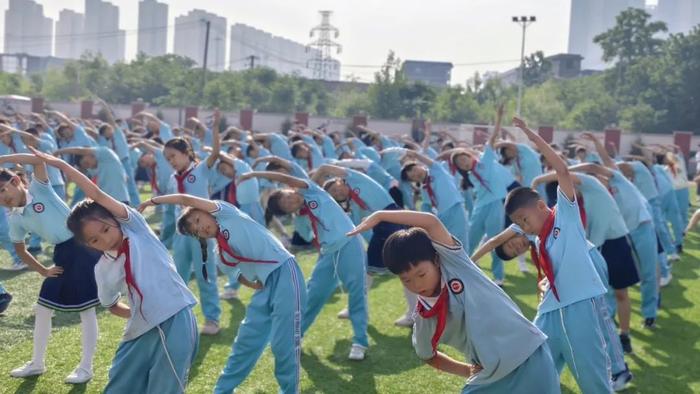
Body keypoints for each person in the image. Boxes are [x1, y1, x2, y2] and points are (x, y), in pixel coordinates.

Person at [30, 146, 199, 393]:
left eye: (106, 230)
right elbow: (110, 304)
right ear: (88, 245)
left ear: (115, 220)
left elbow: (96, 194)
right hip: (140, 328)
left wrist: (63, 166)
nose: (105, 239)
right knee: (119, 383)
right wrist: (137, 311)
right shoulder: (103, 268)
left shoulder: (136, 229)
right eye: (95, 240)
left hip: (174, 317)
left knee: (165, 387)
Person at [347, 209, 559, 393]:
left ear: (437, 260)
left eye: (421, 274)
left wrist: (380, 215)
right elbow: (427, 355)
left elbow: (430, 222)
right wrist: (465, 370)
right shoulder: (423, 319)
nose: (416, 284)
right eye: (406, 280)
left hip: (529, 352)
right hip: (491, 375)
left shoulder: (456, 264)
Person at [139, 194, 306, 394]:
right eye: (196, 231)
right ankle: (222, 390)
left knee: (283, 343)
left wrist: (152, 201)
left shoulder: (228, 214)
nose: (201, 229)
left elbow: (186, 198)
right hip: (266, 287)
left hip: (285, 273)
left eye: (199, 220)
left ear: (206, 211)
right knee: (245, 341)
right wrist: (255, 285)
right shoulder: (221, 256)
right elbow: (239, 277)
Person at [506, 117, 612, 393]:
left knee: (593, 378)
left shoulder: (564, 215)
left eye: (524, 218)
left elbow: (563, 170)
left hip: (580, 306)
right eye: (519, 223)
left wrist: (531, 135)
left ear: (541, 206)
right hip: (551, 309)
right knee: (532, 366)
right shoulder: (539, 241)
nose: (524, 226)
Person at [470, 227, 633, 391]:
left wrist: (469, 262)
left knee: (598, 318)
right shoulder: (536, 244)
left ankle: (620, 369)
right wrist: (546, 282)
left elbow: (494, 241)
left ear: (511, 235)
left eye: (512, 245)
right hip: (573, 276)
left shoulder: (524, 223)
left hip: (587, 262)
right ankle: (543, 375)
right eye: (514, 253)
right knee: (543, 339)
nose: (517, 248)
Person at [241, 170, 369, 361]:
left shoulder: (311, 190)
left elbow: (285, 176)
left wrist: (255, 173)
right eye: (286, 207)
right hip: (328, 253)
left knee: (356, 292)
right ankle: (296, 337)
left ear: (290, 190)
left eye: (287, 198)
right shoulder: (300, 218)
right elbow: (310, 236)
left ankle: (360, 342)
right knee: (311, 295)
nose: (290, 202)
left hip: (349, 244)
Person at [0, 154, 101, 384]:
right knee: (43, 307)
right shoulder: (15, 219)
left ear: (16, 181)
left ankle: (86, 368)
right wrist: (43, 270)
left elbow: (37, 161)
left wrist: (2, 158)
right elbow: (21, 250)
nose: (2, 198)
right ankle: (37, 363)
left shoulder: (40, 190)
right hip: (61, 255)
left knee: (87, 310)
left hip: (82, 247)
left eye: (3, 190)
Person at [312, 164, 413, 327]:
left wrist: (308, 185)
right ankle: (356, 307)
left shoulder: (354, 178)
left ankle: (414, 313)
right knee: (369, 270)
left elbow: (323, 167)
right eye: (335, 195)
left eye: (337, 188)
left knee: (405, 268)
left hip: (393, 220)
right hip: (383, 227)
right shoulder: (352, 205)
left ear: (340, 181)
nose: (339, 193)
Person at [163, 110, 222, 335]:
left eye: (173, 156)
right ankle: (178, 314)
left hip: (202, 234)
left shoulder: (201, 169)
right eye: (167, 159)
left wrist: (215, 129)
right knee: (178, 275)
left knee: (206, 275)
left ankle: (212, 319)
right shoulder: (171, 179)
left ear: (186, 153)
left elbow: (215, 153)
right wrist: (165, 238)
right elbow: (170, 211)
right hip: (181, 235)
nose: (171, 162)